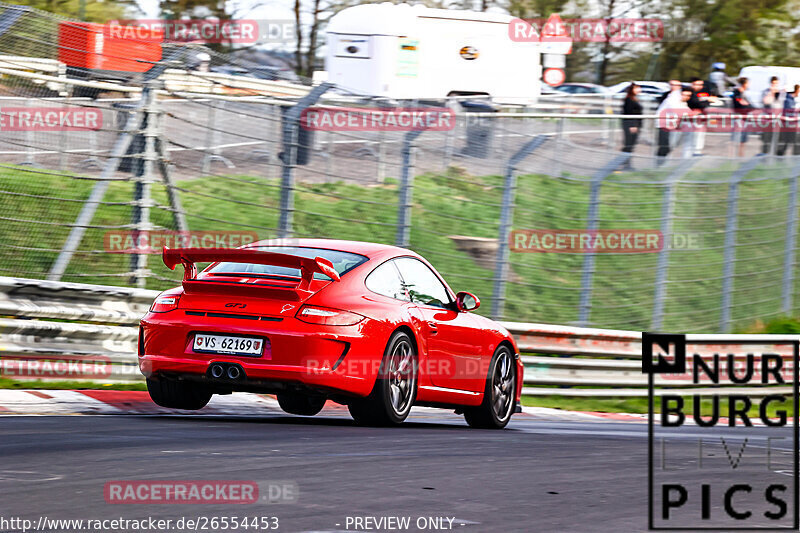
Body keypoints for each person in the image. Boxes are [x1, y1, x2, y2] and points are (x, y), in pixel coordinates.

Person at [656, 80, 691, 164]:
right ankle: (659, 165)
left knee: (671, 146)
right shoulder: (673, 97)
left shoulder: (679, 100)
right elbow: (676, 109)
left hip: (673, 126)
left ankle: (662, 164)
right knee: (664, 147)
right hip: (664, 124)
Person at [687, 77, 712, 156]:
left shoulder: (703, 92)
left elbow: (703, 104)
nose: (700, 86)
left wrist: (706, 102)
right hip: (690, 118)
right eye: (698, 84)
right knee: (690, 138)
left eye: (701, 85)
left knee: (699, 135)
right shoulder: (689, 93)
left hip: (700, 118)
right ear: (692, 84)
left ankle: (697, 152)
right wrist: (707, 101)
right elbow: (697, 103)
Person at [620, 82, 643, 168]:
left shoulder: (634, 99)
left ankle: (625, 162)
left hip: (635, 125)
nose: (639, 90)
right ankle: (625, 163)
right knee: (629, 145)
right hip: (630, 125)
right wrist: (633, 125)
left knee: (631, 145)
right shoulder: (628, 100)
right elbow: (629, 113)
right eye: (637, 88)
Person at [761, 76, 784, 154]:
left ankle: (775, 156)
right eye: (773, 83)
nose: (775, 85)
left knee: (778, 139)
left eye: (776, 83)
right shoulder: (766, 92)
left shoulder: (780, 93)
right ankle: (765, 156)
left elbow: (781, 104)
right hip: (768, 119)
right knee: (767, 139)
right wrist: (771, 93)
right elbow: (766, 102)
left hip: (778, 118)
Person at [731, 77, 753, 158]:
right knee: (735, 138)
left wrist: (747, 105)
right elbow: (740, 104)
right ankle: (732, 157)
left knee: (743, 140)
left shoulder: (745, 93)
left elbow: (751, 106)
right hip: (738, 117)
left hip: (745, 118)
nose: (748, 85)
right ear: (744, 84)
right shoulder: (737, 93)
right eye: (748, 83)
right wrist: (747, 105)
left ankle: (740, 157)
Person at [778, 84, 800, 156]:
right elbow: (788, 113)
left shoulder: (791, 100)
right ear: (796, 91)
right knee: (786, 143)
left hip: (790, 125)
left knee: (789, 142)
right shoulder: (788, 100)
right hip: (787, 125)